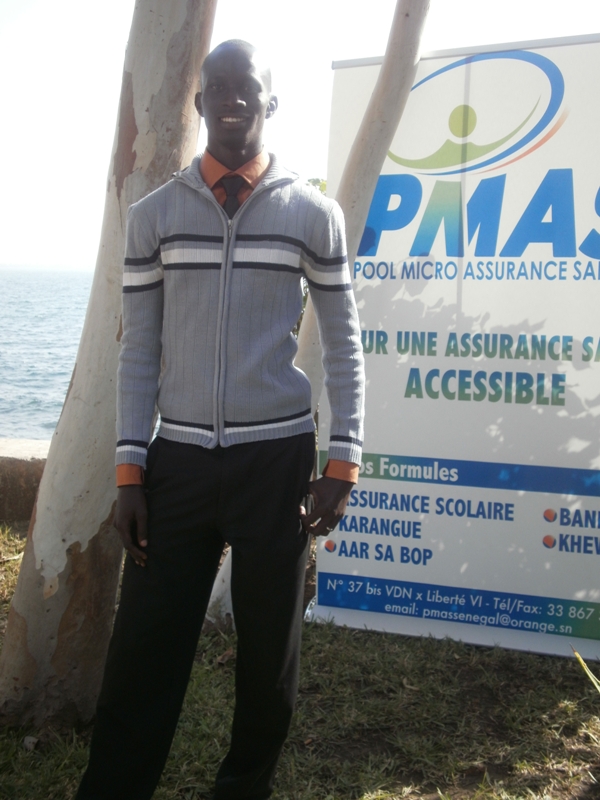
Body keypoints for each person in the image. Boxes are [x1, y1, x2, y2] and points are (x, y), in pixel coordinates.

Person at [76, 39, 364, 800]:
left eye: (249, 87)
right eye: (219, 87)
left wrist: (342, 463)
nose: (234, 98)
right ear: (199, 102)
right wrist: (130, 472)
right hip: (178, 464)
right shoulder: (154, 217)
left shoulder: (313, 215)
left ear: (271, 102)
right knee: (144, 652)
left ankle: (244, 789)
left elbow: (344, 346)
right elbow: (139, 351)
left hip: (277, 463)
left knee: (269, 656)